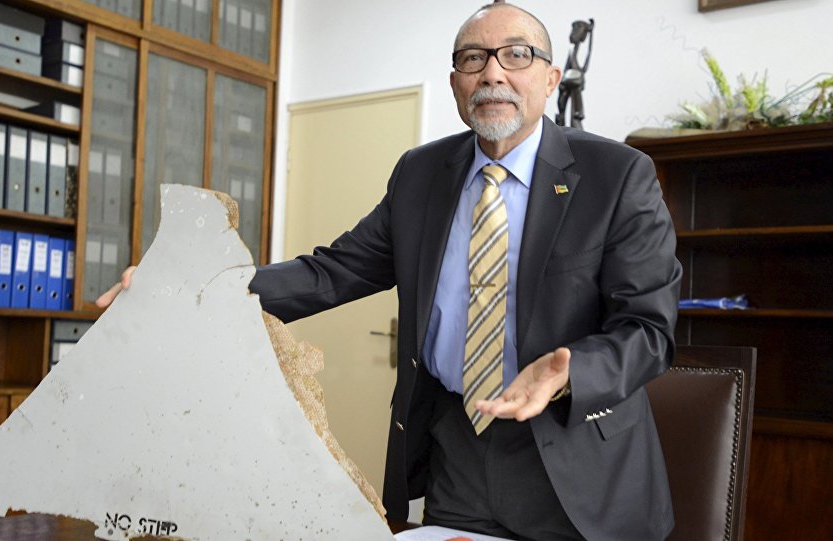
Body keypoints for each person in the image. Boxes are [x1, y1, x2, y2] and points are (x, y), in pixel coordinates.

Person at [99, 4, 681, 540]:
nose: (493, 74)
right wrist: (191, 292)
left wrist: (571, 371)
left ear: (550, 79)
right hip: (458, 449)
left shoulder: (617, 175)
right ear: (456, 82)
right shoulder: (421, 173)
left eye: (517, 54)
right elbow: (331, 271)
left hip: (579, 464)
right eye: (472, 58)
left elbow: (649, 330)